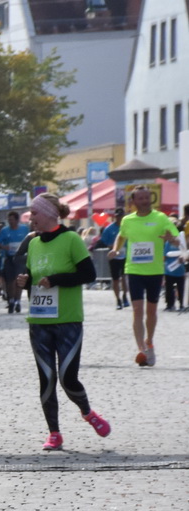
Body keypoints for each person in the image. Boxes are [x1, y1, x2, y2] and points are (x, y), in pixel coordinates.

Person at [15, 193, 110, 451]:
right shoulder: (33, 243)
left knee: (68, 377)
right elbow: (36, 281)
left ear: (48, 213)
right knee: (46, 378)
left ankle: (87, 412)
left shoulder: (70, 239)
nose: (30, 218)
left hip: (68, 320)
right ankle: (54, 433)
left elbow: (89, 274)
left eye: (34, 213)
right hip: (39, 320)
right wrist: (26, 282)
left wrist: (56, 279)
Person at [114, 186, 182, 366]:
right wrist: (115, 249)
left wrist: (172, 239)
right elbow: (121, 236)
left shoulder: (160, 218)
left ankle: (149, 341)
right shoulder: (127, 220)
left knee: (151, 311)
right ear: (134, 201)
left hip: (155, 270)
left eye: (146, 198)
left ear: (150, 199)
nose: (144, 201)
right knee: (137, 310)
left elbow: (176, 238)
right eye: (140, 198)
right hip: (134, 270)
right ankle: (141, 350)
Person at [0, 211, 29, 314]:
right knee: (10, 281)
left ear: (17, 220)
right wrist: (4, 247)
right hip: (9, 258)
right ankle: (11, 300)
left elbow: (30, 240)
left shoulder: (24, 229)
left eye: (12, 219)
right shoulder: (4, 231)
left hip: (21, 258)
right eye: (9, 219)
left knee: (19, 280)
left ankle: (17, 301)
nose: (10, 221)